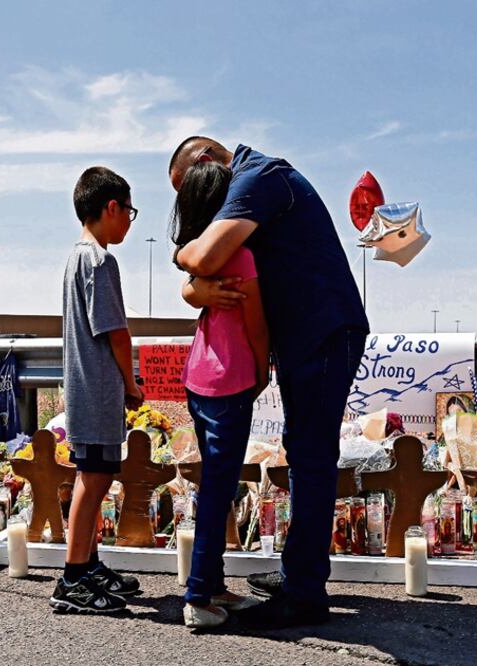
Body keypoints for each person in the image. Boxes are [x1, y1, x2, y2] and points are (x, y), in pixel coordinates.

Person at [169, 137, 368, 628]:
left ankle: (304, 594)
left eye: (190, 186)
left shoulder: (259, 178)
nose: (197, 199)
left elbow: (205, 256)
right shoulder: (252, 184)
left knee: (312, 454)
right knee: (301, 449)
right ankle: (300, 573)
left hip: (323, 330)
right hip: (306, 335)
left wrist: (187, 263)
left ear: (208, 163)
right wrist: (195, 281)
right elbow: (200, 273)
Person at [170, 161, 266, 629]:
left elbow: (188, 284)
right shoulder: (242, 258)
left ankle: (215, 585)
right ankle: (197, 597)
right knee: (218, 493)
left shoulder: (196, 259)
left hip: (199, 379)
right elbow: (255, 324)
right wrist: (265, 367)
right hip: (232, 381)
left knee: (215, 487)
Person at [49, 166, 144, 614]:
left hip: (82, 385)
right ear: (111, 208)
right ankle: (72, 578)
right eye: (128, 211)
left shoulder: (75, 257)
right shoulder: (101, 261)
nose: (128, 220)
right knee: (95, 476)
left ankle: (87, 564)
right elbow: (116, 332)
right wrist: (131, 382)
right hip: (100, 386)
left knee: (94, 473)